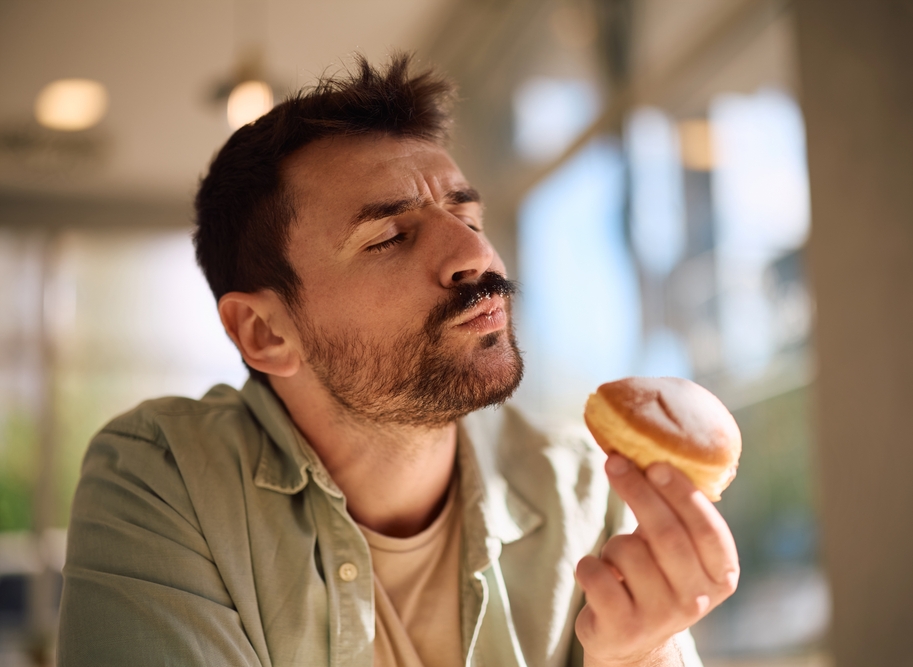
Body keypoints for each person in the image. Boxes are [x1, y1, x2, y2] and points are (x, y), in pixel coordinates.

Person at [56, 54, 738, 667]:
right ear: (264, 330)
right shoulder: (161, 480)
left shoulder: (588, 499)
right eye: (390, 235)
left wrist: (634, 657)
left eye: (467, 218)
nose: (477, 256)